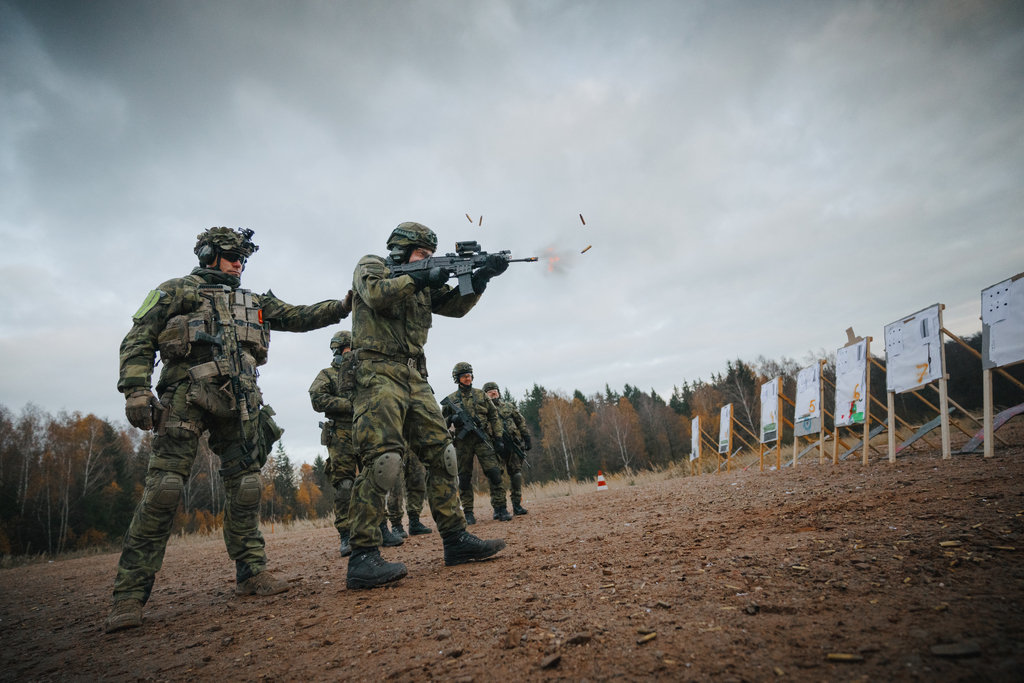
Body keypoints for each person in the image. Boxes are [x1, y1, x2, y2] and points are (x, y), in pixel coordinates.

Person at [105, 227, 352, 634]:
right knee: (165, 489)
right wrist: (135, 390)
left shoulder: (253, 301)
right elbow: (137, 339)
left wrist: (343, 305)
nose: (239, 263)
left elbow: (300, 315)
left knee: (248, 485)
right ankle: (128, 595)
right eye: (231, 255)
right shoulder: (176, 291)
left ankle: (251, 572)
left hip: (240, 401)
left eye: (243, 257)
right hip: (186, 398)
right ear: (207, 255)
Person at [345, 222, 508, 589]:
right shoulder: (372, 266)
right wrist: (421, 278)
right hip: (376, 373)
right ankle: (363, 557)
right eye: (421, 254)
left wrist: (481, 278)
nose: (428, 260)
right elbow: (376, 295)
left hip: (414, 375)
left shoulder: (421, 285)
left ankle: (455, 539)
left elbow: (455, 307)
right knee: (384, 461)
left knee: (442, 455)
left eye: (430, 256)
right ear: (402, 251)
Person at [442, 364, 509, 523]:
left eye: (470, 375)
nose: (468, 378)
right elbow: (440, 422)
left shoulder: (481, 395)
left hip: (482, 437)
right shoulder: (451, 399)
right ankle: (468, 513)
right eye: (464, 376)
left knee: (494, 472)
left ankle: (501, 508)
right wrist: (451, 419)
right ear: (457, 378)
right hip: (463, 441)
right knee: (464, 478)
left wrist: (498, 438)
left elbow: (494, 417)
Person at [484, 381, 532, 516]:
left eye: (495, 390)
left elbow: (520, 422)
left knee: (516, 474)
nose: (493, 393)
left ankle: (517, 505)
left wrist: (526, 438)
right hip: (494, 447)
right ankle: (498, 508)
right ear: (485, 395)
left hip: (512, 445)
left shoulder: (509, 407)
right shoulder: (484, 410)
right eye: (490, 392)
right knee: (495, 477)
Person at [385, 454, 431, 537]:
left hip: (413, 445)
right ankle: (396, 525)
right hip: (396, 446)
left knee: (418, 478)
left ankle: (414, 520)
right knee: (396, 486)